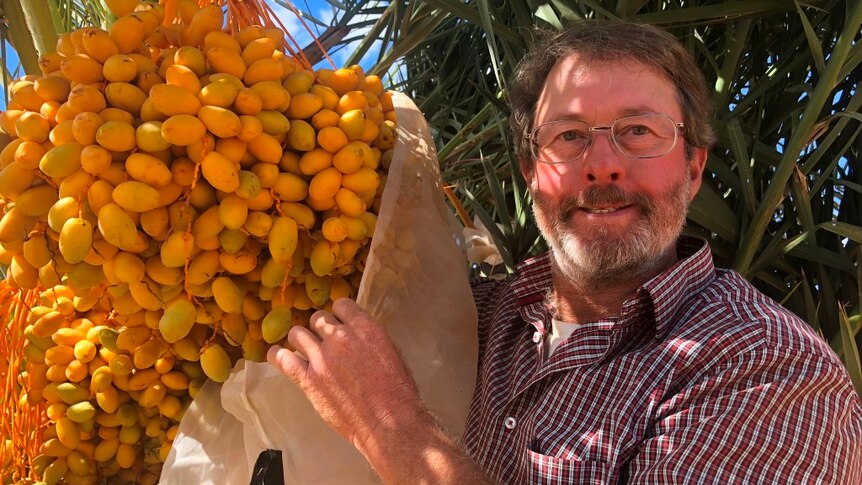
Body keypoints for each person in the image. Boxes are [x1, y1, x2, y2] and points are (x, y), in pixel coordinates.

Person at [267, 21, 862, 484]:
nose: (602, 163)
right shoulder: (470, 311)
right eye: (568, 136)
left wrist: (391, 427)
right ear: (531, 171)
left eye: (638, 131)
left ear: (694, 167)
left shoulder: (767, 367)